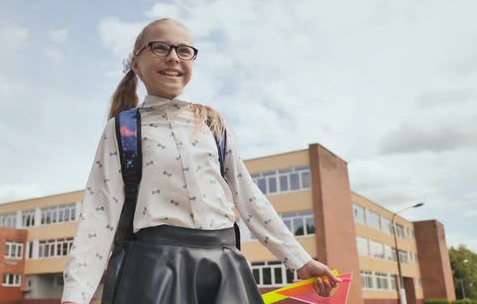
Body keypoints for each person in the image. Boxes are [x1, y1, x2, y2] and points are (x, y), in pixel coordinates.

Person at [61, 18, 340, 304]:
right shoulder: (123, 130)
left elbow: (249, 198)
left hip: (223, 266)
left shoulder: (212, 123)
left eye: (184, 50)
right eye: (160, 47)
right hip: (154, 270)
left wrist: (300, 260)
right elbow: (99, 214)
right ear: (136, 63)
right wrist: (74, 296)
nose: (173, 57)